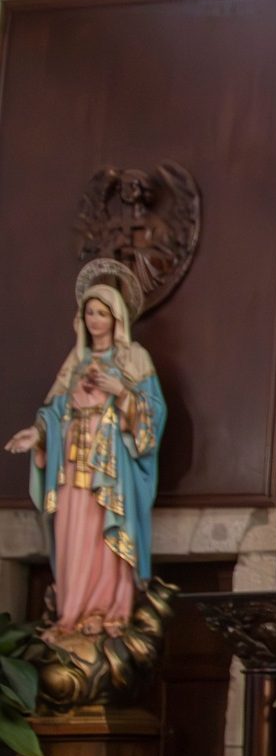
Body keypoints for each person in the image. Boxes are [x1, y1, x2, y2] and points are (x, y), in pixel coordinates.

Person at [5, 261, 166, 638]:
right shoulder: (76, 361)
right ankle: (72, 612)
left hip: (110, 466)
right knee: (73, 532)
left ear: (116, 318)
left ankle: (108, 608)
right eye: (89, 312)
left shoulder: (134, 358)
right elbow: (55, 409)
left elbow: (154, 412)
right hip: (72, 459)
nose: (94, 320)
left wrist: (121, 392)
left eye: (102, 313)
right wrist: (37, 434)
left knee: (104, 533)